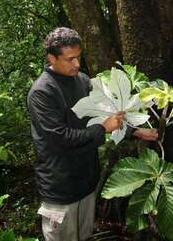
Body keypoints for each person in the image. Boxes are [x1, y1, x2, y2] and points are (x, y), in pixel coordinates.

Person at [27, 27, 158, 241]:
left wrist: (136, 131)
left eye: (78, 57)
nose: (77, 64)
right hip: (60, 188)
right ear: (52, 57)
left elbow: (104, 116)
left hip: (87, 182)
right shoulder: (42, 91)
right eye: (70, 59)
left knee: (84, 236)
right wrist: (103, 128)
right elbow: (60, 138)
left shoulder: (83, 81)